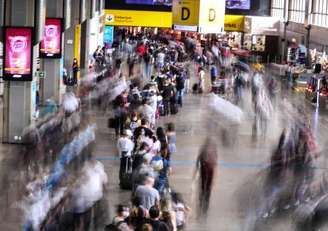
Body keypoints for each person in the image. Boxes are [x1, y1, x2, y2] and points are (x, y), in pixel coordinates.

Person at [193, 137, 218, 216]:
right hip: (210, 171)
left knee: (203, 187)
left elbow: (198, 160)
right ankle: (205, 206)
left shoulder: (203, 149)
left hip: (204, 171)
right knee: (208, 189)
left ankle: (201, 204)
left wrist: (196, 170)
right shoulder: (213, 150)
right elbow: (215, 163)